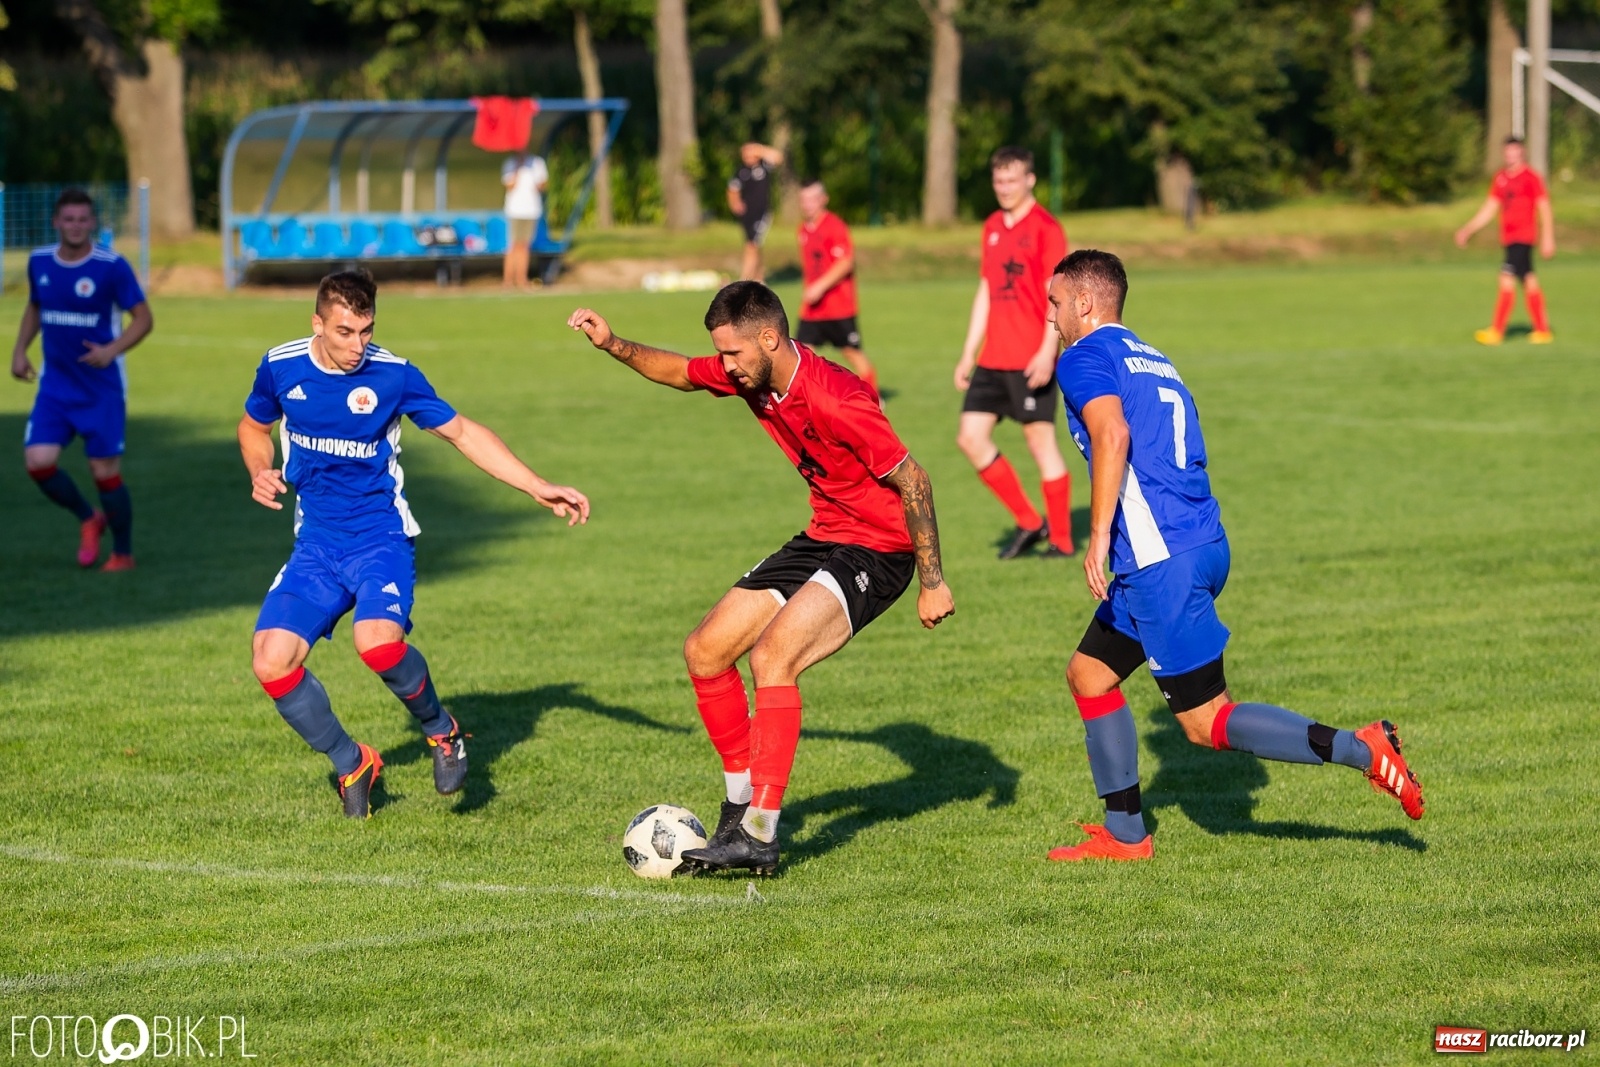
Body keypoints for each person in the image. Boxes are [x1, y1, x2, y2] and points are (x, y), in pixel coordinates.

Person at [1045, 249, 1424, 862]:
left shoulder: (1084, 356)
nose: (1051, 314)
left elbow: (1113, 435)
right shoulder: (1155, 360)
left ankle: (1364, 746)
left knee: (1205, 723)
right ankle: (1124, 834)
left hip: (1158, 561)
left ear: (1086, 303)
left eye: (1056, 301)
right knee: (1090, 674)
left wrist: (1096, 537)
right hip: (1200, 543)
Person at [567, 282, 955, 874]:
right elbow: (679, 372)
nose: (725, 367)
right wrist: (613, 343)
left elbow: (916, 481)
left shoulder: (838, 397)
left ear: (769, 339)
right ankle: (738, 810)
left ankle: (760, 836)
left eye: (732, 354)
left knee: (773, 658)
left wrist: (933, 581)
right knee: (705, 650)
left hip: (879, 549)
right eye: (720, 354)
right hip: (826, 534)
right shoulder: (753, 373)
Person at [240, 269, 589, 818]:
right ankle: (352, 761)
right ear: (317, 323)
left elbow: (463, 433)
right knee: (271, 661)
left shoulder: (393, 376)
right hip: (315, 548)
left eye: (366, 330)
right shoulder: (280, 365)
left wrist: (537, 486)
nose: (357, 345)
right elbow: (253, 426)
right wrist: (260, 469)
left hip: (379, 539)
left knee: (376, 643)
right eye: (343, 332)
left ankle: (441, 730)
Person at [11, 188, 152, 571]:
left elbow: (143, 318)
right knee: (38, 462)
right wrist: (20, 349)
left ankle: (123, 553)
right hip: (55, 387)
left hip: (100, 389)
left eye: (82, 219)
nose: (75, 226)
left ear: (92, 223)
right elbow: (36, 307)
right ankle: (89, 518)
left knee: (104, 471)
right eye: (68, 219)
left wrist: (112, 350)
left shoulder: (111, 266)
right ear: (56, 222)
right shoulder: (39, 261)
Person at [954, 146, 1075, 561]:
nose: (1004, 188)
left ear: (1030, 180)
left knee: (1040, 442)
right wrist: (969, 352)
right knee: (970, 437)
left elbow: (1056, 297)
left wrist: (1048, 351)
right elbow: (987, 289)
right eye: (999, 181)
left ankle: (1060, 540)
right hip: (993, 358)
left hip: (1031, 356)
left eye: (1012, 180)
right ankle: (1028, 521)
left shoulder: (1046, 228)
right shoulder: (991, 226)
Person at [1455, 137, 1556, 345]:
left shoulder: (1531, 177)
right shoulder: (1500, 178)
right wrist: (1469, 229)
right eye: (1508, 152)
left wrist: (1548, 237)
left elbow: (1544, 207)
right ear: (1504, 154)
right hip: (1509, 238)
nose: (1512, 156)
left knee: (1506, 278)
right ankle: (1543, 330)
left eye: (1516, 152)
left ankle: (1497, 331)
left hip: (1524, 237)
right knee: (1529, 280)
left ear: (1522, 153)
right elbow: (1490, 207)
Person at [795, 178, 879, 396]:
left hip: (838, 306)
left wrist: (819, 287)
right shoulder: (802, 230)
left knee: (852, 353)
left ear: (823, 199)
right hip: (812, 309)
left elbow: (846, 262)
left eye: (812, 199)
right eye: (803, 199)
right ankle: (809, 400)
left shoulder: (835, 226)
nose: (807, 204)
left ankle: (873, 398)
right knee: (801, 355)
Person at [728, 143, 783, 282]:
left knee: (752, 244)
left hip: (762, 213)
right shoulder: (741, 171)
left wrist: (759, 149)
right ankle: (759, 278)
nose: (747, 158)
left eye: (750, 154)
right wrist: (735, 203)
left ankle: (745, 279)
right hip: (747, 215)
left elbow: (778, 157)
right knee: (753, 244)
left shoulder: (764, 166)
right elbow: (732, 189)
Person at [501, 151, 550, 290]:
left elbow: (543, 185)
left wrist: (536, 180)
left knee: (524, 245)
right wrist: (517, 168)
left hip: (531, 210)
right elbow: (510, 186)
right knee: (513, 245)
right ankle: (508, 280)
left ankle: (521, 279)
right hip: (515, 210)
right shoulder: (510, 163)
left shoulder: (537, 163)